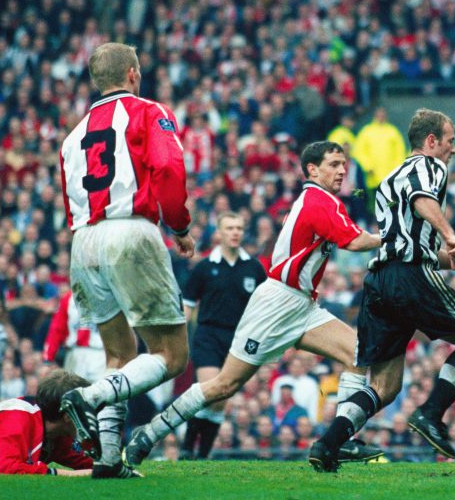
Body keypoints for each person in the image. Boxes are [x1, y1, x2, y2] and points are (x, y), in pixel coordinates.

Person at [123, 141, 383, 467]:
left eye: (343, 164)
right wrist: (391, 237)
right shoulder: (319, 200)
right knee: (224, 385)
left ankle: (340, 440)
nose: (342, 170)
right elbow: (356, 241)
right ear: (312, 170)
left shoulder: (323, 201)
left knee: (359, 352)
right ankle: (149, 433)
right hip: (278, 303)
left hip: (302, 304)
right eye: (333, 164)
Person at [309, 109, 455, 472]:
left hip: (380, 282)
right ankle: (431, 413)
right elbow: (422, 202)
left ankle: (327, 443)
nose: (453, 151)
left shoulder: (389, 178)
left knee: (385, 385)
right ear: (431, 142)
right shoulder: (430, 168)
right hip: (410, 278)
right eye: (449, 142)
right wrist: (451, 234)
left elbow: (409, 242)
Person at [57, 42, 195, 479]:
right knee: (172, 355)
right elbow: (170, 168)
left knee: (119, 353)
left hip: (83, 242)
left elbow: (69, 199)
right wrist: (180, 226)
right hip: (130, 231)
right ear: (133, 73)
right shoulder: (147, 110)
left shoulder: (72, 136)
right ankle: (92, 397)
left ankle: (106, 459)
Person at [179, 211, 267, 458]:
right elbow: (187, 305)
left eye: (239, 228)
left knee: (221, 398)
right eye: (229, 228)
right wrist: (179, 339)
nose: (235, 232)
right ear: (219, 233)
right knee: (208, 390)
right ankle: (187, 448)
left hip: (238, 339)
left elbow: (264, 307)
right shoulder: (205, 267)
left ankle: (203, 453)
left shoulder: (254, 268)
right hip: (207, 335)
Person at [43, 291, 106, 382]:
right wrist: (48, 359)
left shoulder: (106, 294)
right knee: (72, 389)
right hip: (75, 352)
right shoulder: (68, 299)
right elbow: (57, 329)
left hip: (101, 352)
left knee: (101, 390)